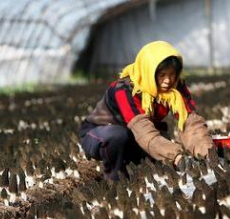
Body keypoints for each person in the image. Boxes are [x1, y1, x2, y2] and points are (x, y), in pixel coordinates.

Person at [80, 41, 214, 180]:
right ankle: (115, 180)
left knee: (162, 155)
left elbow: (189, 121)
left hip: (138, 135)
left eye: (172, 74)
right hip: (101, 134)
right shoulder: (126, 89)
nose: (168, 80)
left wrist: (206, 153)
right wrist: (175, 156)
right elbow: (143, 129)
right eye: (162, 74)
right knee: (118, 136)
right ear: (149, 72)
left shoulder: (175, 86)